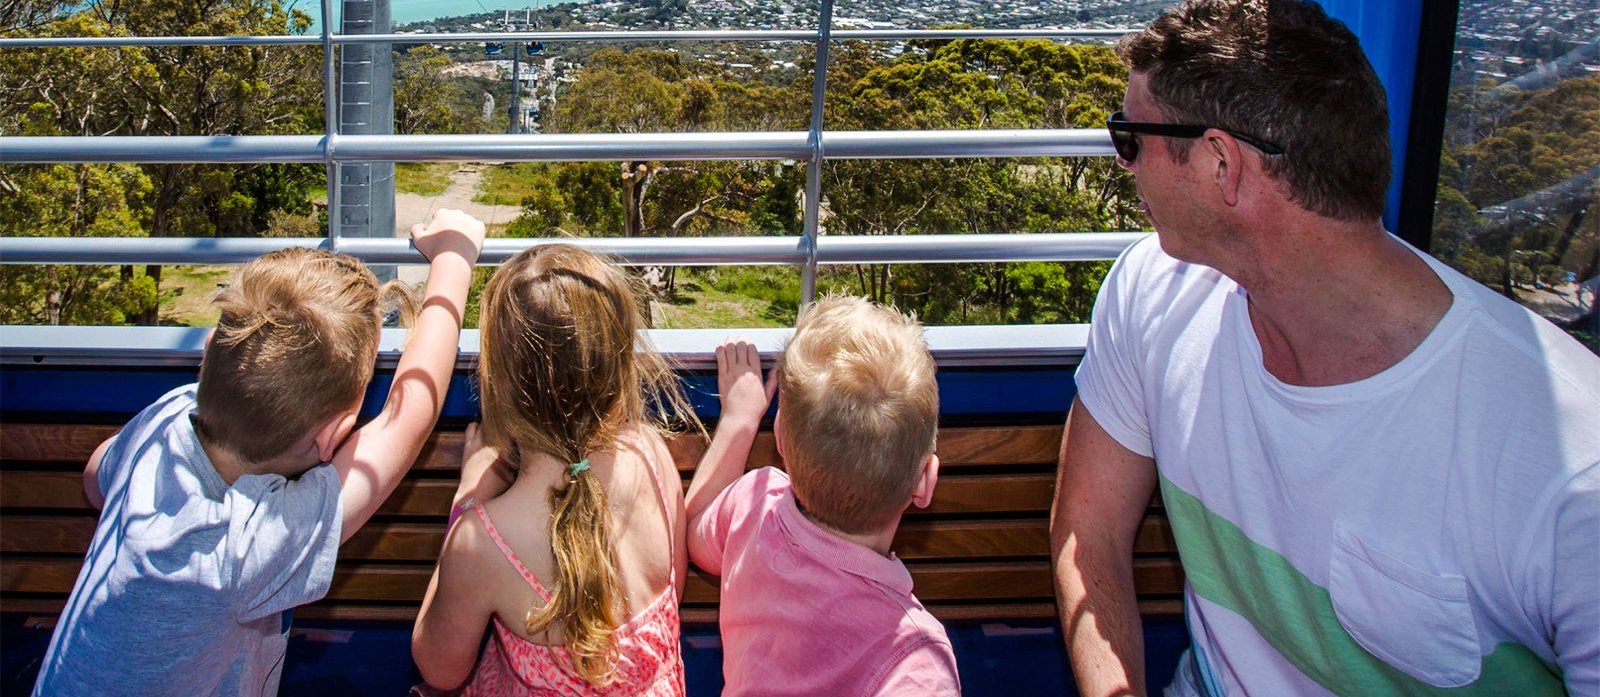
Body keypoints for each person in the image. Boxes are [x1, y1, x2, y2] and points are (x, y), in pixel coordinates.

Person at [1049, 0, 1599, 696]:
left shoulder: (1567, 474)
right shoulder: (1155, 293)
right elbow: (1087, 533)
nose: (1124, 164)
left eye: (1133, 140)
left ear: (1222, 164)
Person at [34, 208, 486, 697]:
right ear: (332, 436)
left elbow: (95, 474)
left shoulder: (166, 420)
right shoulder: (252, 542)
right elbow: (409, 416)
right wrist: (454, 259)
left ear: (210, 355)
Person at [411, 244, 702, 695]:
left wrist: (467, 498)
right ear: (618, 365)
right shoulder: (651, 456)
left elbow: (439, 668)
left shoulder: (483, 541)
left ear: (499, 384)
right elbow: (671, 593)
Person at [686, 295, 962, 696]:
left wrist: (739, 420)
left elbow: (696, 530)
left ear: (779, 436)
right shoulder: (916, 663)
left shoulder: (752, 505)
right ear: (926, 481)